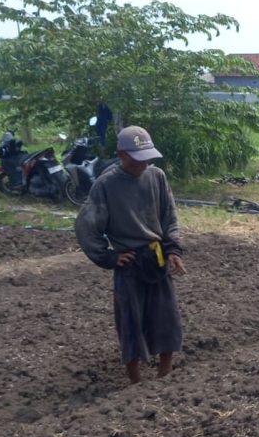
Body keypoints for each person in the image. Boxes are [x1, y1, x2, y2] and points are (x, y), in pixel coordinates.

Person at [75, 125, 186, 384]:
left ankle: (165, 373)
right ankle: (135, 380)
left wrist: (173, 249)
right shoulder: (106, 185)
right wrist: (109, 257)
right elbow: (86, 226)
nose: (143, 164)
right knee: (130, 322)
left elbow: (169, 216)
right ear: (121, 154)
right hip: (129, 263)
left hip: (155, 258)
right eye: (137, 159)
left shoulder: (156, 177)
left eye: (147, 158)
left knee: (165, 317)